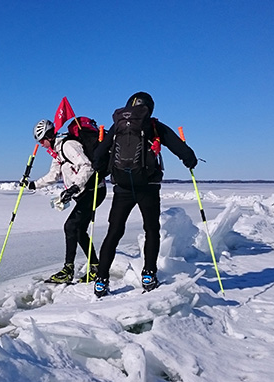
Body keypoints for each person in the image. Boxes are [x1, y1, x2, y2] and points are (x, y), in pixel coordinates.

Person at [93, 92, 198, 297]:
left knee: (114, 232)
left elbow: (100, 153)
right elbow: (179, 147)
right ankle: (149, 274)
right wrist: (190, 160)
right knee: (151, 229)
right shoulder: (154, 125)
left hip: (122, 187)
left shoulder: (118, 126)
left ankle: (101, 279)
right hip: (148, 186)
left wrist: (99, 168)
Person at [24, 119, 107, 283]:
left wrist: (74, 187)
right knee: (78, 230)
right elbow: (53, 175)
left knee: (70, 226)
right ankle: (96, 267)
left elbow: (87, 165)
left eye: (42, 140)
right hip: (83, 193)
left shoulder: (68, 146)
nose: (41, 145)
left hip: (94, 190)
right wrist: (33, 184)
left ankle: (68, 269)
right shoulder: (57, 152)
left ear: (48, 136)